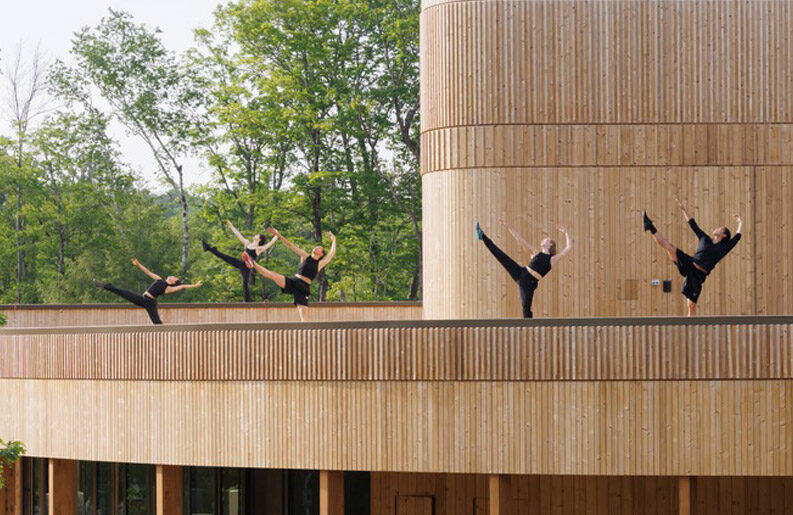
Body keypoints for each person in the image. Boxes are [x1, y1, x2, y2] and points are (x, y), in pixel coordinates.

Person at [643, 195, 742, 316]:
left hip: (698, 275)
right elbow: (692, 224)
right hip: (690, 263)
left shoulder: (723, 248)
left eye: (720, 229)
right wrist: (683, 209)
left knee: (691, 306)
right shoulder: (705, 238)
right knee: (669, 247)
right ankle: (649, 227)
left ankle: (690, 327)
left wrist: (740, 223)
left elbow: (737, 238)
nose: (716, 228)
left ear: (724, 235)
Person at [475, 219, 573, 318]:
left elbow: (568, 248)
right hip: (521, 272)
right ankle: (482, 236)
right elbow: (520, 240)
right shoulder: (536, 253)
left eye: (546, 239)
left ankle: (529, 330)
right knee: (501, 256)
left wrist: (566, 232)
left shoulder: (552, 259)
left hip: (529, 283)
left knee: (526, 309)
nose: (543, 240)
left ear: (550, 245)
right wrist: (508, 226)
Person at [242, 227, 336, 321]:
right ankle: (252, 262)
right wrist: (278, 235)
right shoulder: (306, 256)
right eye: (316, 246)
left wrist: (334, 240)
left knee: (303, 315)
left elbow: (331, 254)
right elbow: (291, 246)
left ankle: (306, 331)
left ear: (321, 254)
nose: (316, 247)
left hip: (303, 287)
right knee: (273, 275)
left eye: (319, 248)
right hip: (294, 281)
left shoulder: (319, 264)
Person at [93, 259, 202, 324]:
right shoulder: (159, 279)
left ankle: (162, 334)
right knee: (125, 293)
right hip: (145, 299)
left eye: (175, 277)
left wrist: (195, 286)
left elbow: (182, 287)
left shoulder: (168, 288)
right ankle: (105, 286)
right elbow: (148, 272)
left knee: (156, 321)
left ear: (173, 282)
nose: (173, 276)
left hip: (149, 302)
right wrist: (138, 264)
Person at [201, 220, 279, 302]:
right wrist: (231, 226)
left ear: (259, 239)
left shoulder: (258, 249)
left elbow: (270, 243)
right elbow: (238, 235)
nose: (255, 235)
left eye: (257, 235)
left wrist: (277, 235)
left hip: (247, 267)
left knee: (245, 283)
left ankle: (247, 301)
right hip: (241, 263)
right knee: (225, 257)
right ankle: (209, 248)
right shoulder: (247, 243)